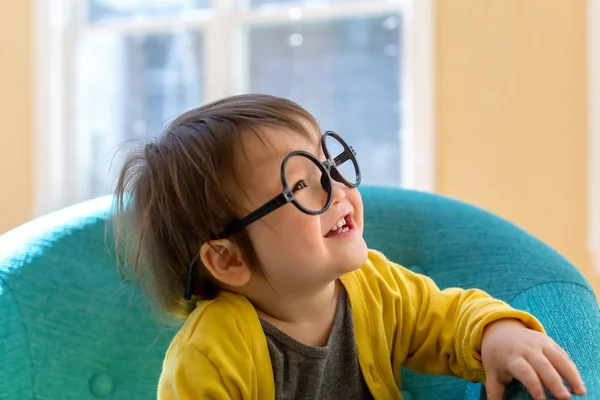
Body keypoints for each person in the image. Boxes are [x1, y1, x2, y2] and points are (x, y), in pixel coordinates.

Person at [113, 94, 586, 400]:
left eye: (329, 165)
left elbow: (442, 317)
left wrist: (494, 333)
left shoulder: (373, 285)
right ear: (228, 258)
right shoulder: (211, 355)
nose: (337, 189)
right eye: (300, 186)